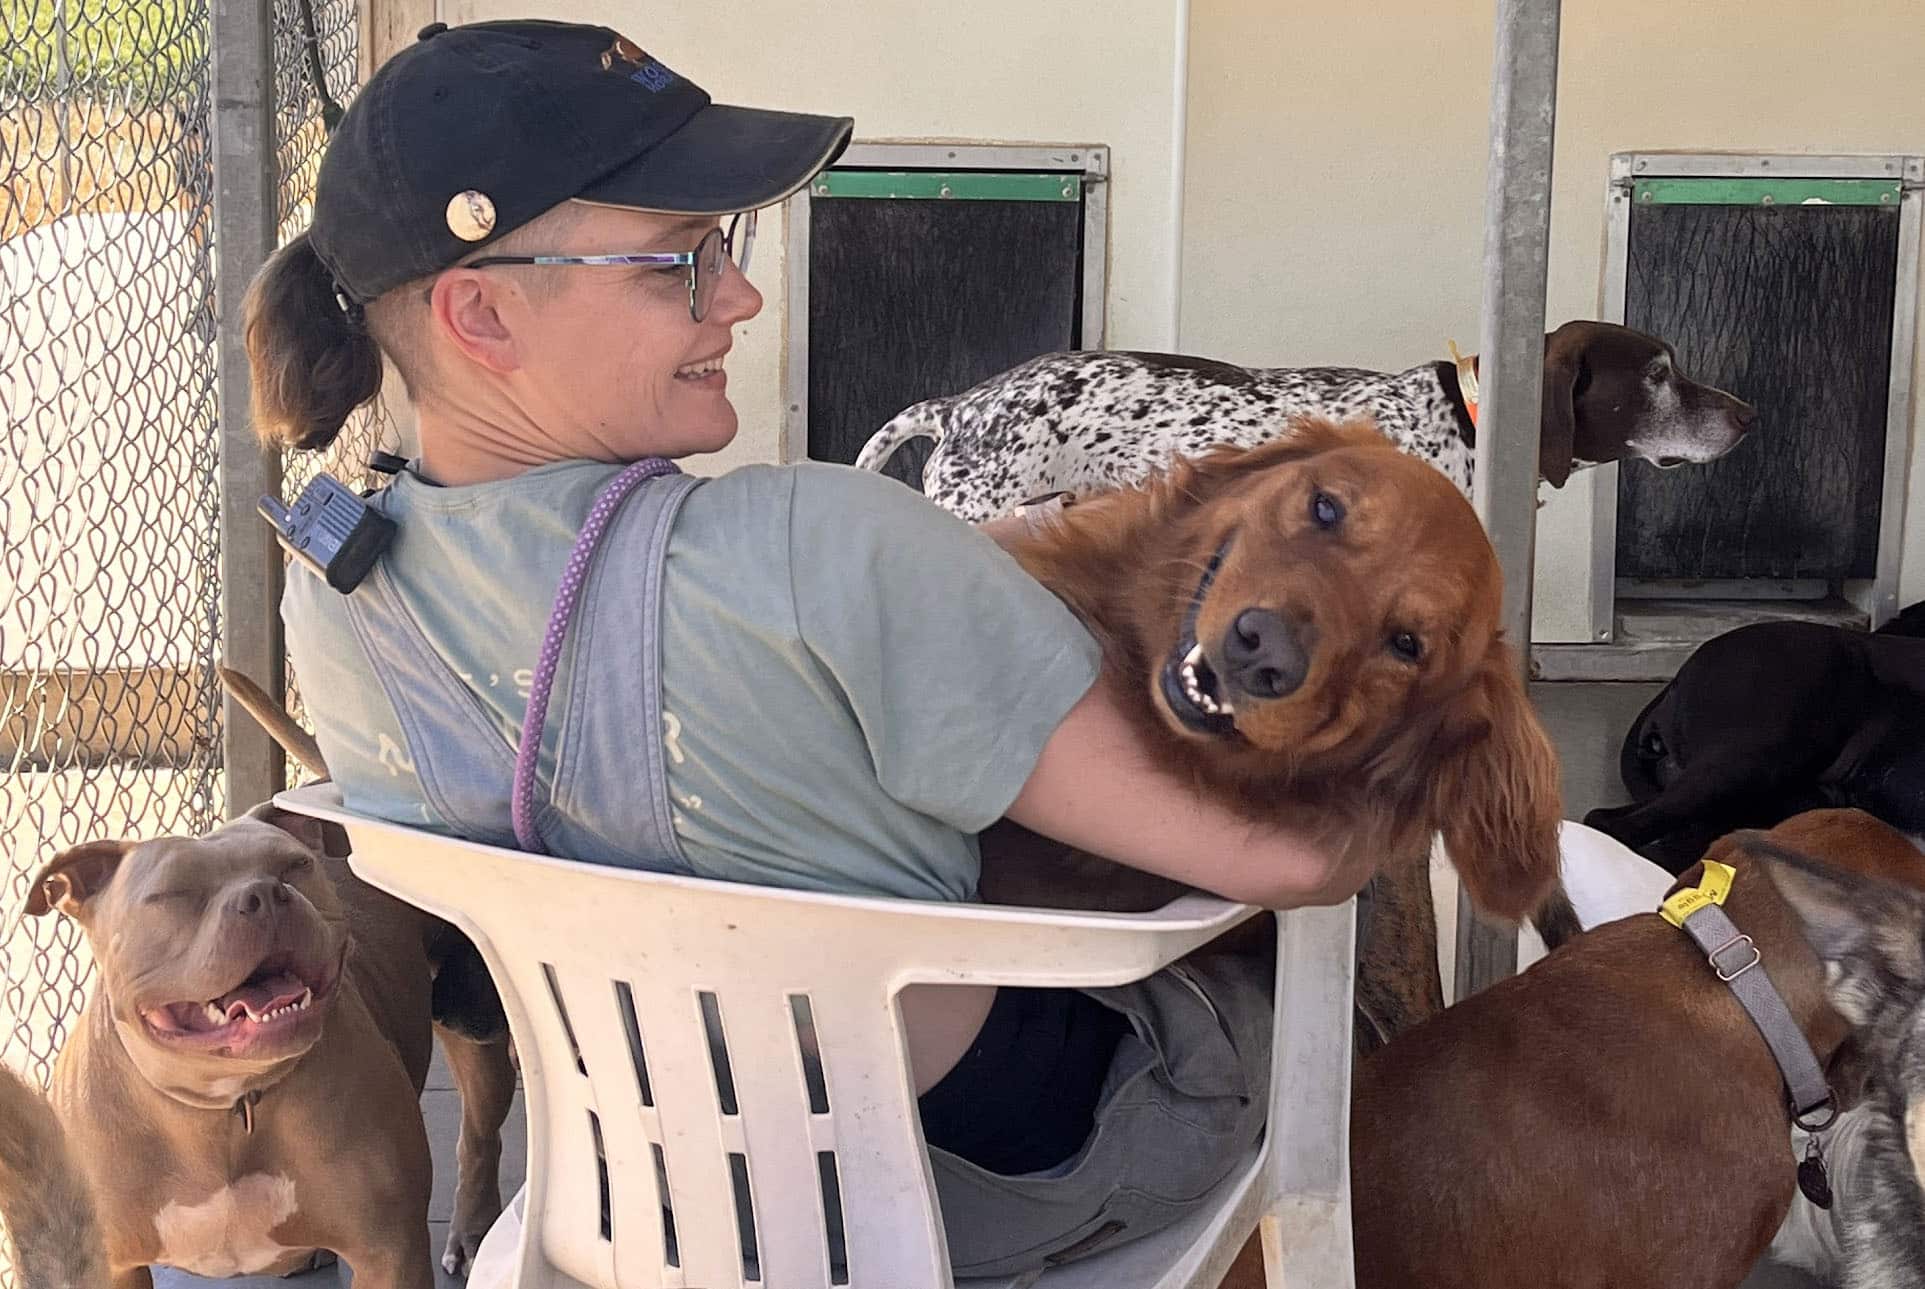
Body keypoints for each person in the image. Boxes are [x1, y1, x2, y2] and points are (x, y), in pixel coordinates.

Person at [245, 18, 1372, 1275]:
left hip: (638, 1185)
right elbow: (1294, 856)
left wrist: (950, 569)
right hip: (1001, 1179)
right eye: (676, 260)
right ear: (483, 315)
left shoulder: (340, 604)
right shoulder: (832, 552)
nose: (739, 293)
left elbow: (625, 647)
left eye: (723, 246)